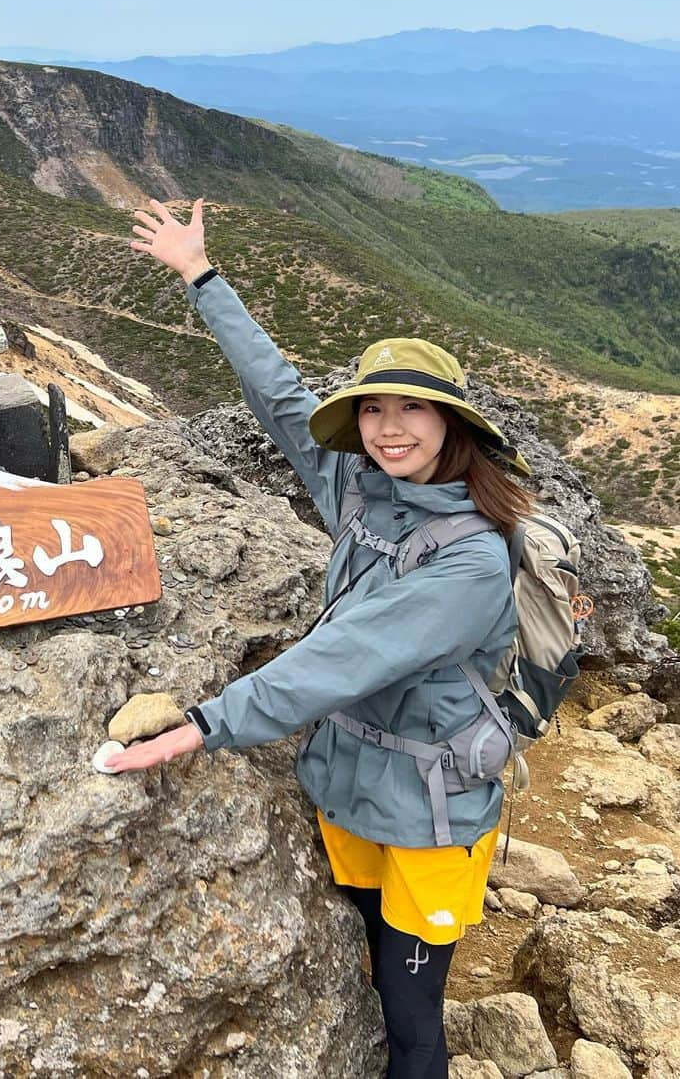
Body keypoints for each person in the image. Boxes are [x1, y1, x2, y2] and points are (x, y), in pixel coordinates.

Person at [104, 198, 534, 1079]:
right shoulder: (356, 488)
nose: (388, 427)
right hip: (347, 783)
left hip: (429, 812)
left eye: (413, 409)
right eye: (372, 408)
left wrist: (204, 723)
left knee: (412, 1020)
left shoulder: (474, 564)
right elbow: (280, 393)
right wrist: (200, 276)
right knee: (364, 966)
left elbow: (346, 654)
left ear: (453, 423)